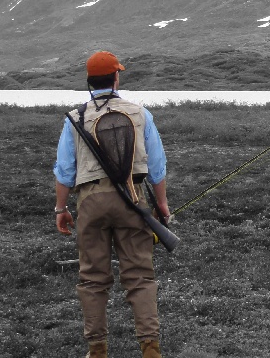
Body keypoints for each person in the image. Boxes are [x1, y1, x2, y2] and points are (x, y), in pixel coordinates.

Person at [54, 51, 170, 358]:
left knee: (92, 279)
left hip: (90, 201)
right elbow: (157, 167)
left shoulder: (74, 118)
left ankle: (98, 350)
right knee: (140, 277)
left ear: (89, 81)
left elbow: (64, 171)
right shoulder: (140, 113)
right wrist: (161, 204)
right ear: (116, 78)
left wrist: (61, 209)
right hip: (133, 199)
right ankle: (150, 349)